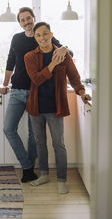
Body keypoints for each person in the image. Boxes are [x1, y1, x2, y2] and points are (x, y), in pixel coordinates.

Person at [0, 7, 72, 183]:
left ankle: (30, 169)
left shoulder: (43, 36)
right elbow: (10, 61)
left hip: (36, 92)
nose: (26, 22)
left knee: (35, 136)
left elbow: (65, 51)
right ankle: (27, 165)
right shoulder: (16, 39)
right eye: (22, 20)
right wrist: (4, 84)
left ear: (34, 18)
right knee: (8, 129)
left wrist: (65, 48)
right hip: (17, 90)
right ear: (20, 23)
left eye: (28, 18)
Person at [24, 21, 91, 193]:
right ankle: (44, 175)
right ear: (35, 38)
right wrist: (53, 63)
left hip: (56, 107)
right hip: (36, 107)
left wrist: (82, 92)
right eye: (38, 35)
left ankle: (62, 180)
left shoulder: (64, 54)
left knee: (58, 144)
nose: (42, 38)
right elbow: (37, 79)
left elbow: (74, 77)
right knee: (40, 143)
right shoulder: (29, 57)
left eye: (45, 34)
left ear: (51, 35)